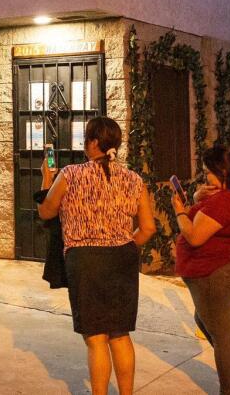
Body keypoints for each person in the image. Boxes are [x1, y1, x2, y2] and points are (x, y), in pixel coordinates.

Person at [38, 117, 156, 394]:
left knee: (96, 338)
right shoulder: (134, 179)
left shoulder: (70, 175)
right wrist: (124, 246)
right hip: (122, 260)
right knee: (120, 334)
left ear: (92, 142)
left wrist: (46, 177)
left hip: (86, 261)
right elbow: (148, 227)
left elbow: (46, 212)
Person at [171, 146, 230, 395]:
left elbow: (194, 235)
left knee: (223, 338)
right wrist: (201, 199)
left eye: (208, 173)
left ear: (222, 172)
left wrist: (179, 209)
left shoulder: (224, 201)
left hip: (217, 274)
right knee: (204, 320)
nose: (206, 178)